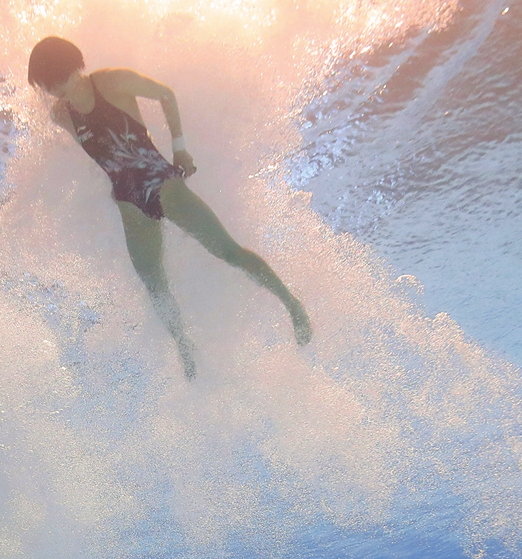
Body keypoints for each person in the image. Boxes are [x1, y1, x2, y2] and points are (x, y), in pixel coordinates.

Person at [28, 37, 312, 379]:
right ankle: (186, 349)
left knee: (228, 252)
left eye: (58, 81)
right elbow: (98, 152)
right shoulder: (60, 114)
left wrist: (180, 150)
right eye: (49, 87)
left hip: (165, 187)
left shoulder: (112, 81)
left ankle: (291, 304)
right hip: (129, 205)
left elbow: (166, 94)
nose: (56, 92)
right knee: (154, 285)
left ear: (76, 67)